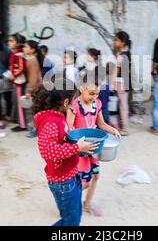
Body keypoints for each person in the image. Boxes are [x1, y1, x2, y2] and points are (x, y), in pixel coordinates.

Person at [33, 78, 98, 226]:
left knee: (75, 215)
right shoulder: (50, 122)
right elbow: (48, 151)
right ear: (65, 103)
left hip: (70, 175)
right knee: (71, 222)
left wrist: (78, 142)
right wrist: (77, 148)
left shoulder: (57, 117)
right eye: (74, 101)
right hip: (62, 182)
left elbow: (61, 140)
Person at [67, 72, 120, 217]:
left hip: (95, 147)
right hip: (81, 149)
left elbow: (101, 123)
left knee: (95, 176)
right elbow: (69, 128)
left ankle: (87, 204)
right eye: (91, 93)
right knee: (84, 181)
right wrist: (78, 144)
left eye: (96, 94)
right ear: (81, 88)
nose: (94, 97)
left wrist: (112, 130)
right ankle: (68, 203)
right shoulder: (74, 106)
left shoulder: (97, 104)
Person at [113, 31, 134, 136]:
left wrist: (111, 83)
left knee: (122, 106)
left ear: (122, 42)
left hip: (121, 83)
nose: (114, 42)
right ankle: (121, 126)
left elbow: (116, 71)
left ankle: (125, 129)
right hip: (125, 82)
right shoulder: (127, 53)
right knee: (122, 105)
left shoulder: (121, 56)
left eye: (116, 40)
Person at [23, 40, 43, 138]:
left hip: (35, 88)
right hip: (38, 87)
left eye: (26, 47)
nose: (24, 48)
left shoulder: (31, 60)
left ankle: (35, 130)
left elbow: (33, 78)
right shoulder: (33, 58)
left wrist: (29, 91)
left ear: (32, 50)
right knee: (36, 109)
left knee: (34, 110)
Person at [8, 33, 27, 132]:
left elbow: (21, 68)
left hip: (19, 81)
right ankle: (19, 120)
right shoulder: (14, 53)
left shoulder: (19, 54)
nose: (9, 43)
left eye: (12, 41)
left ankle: (22, 125)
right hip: (16, 81)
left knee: (20, 103)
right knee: (16, 101)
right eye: (9, 41)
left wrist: (13, 75)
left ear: (18, 43)